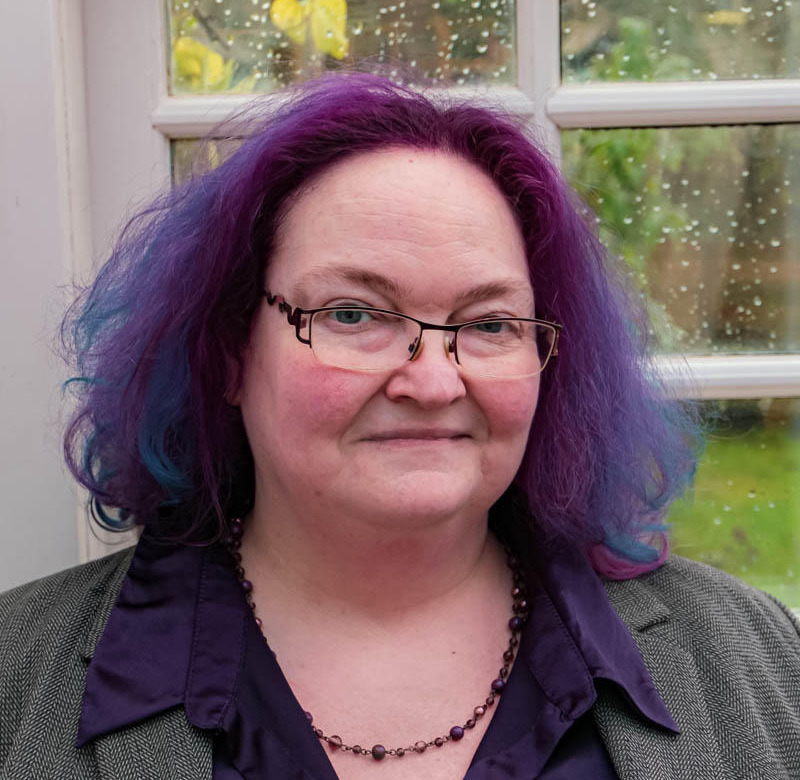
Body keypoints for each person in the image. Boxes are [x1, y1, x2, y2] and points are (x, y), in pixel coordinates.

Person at [1, 73, 799, 780]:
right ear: (230, 354)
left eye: (489, 324)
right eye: (353, 313)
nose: (431, 380)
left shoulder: (755, 659)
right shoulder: (16, 674)